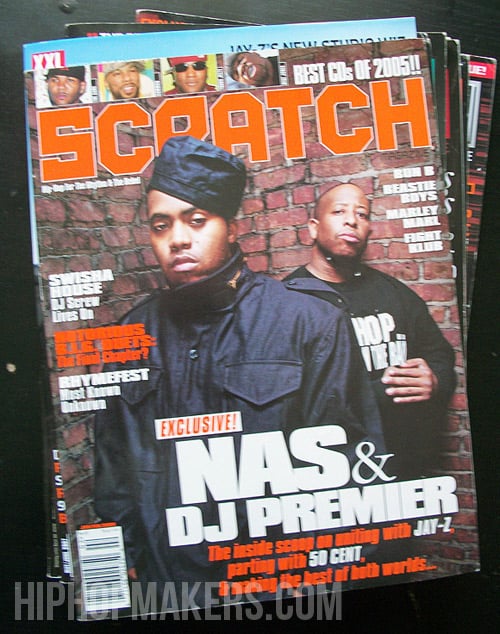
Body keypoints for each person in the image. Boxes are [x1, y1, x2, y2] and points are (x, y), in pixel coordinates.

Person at [94, 137, 385, 602]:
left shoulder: (310, 323)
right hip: (165, 589)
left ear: (231, 227)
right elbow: (114, 472)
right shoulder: (130, 333)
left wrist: (316, 583)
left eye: (196, 220)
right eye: (161, 225)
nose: (178, 239)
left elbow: (352, 470)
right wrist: (125, 561)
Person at [285, 183, 456, 480]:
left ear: (369, 231)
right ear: (313, 228)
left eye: (362, 214)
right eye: (339, 212)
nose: (351, 220)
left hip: (403, 466)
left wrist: (435, 379)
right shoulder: (285, 301)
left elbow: (439, 355)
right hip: (330, 471)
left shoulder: (395, 293)